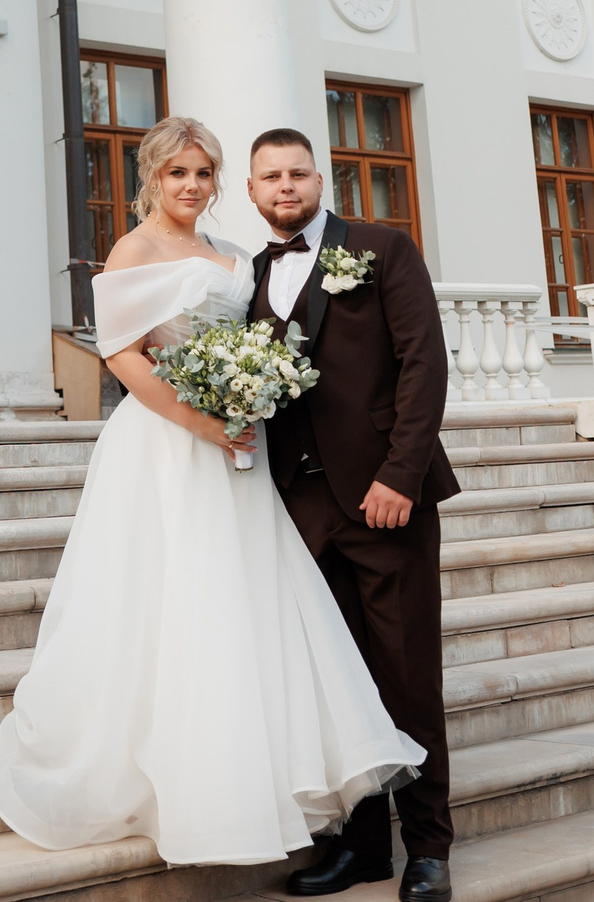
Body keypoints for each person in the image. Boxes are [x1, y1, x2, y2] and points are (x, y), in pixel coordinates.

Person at [0, 116, 424, 869]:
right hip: (167, 446)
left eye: (202, 173)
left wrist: (246, 405)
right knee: (175, 600)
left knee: (244, 605)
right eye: (176, 173)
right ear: (151, 178)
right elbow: (122, 354)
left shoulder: (231, 254)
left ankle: (267, 780)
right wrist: (200, 419)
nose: (191, 186)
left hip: (240, 456)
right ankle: (179, 783)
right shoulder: (133, 249)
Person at [250, 127, 456, 902]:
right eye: (270, 176)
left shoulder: (380, 248)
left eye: (297, 172)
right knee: (339, 686)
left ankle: (429, 848)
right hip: (296, 508)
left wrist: (401, 473)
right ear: (252, 190)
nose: (285, 186)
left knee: (406, 677)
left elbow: (423, 362)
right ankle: (364, 846)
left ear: (319, 178)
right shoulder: (245, 275)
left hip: (384, 502)